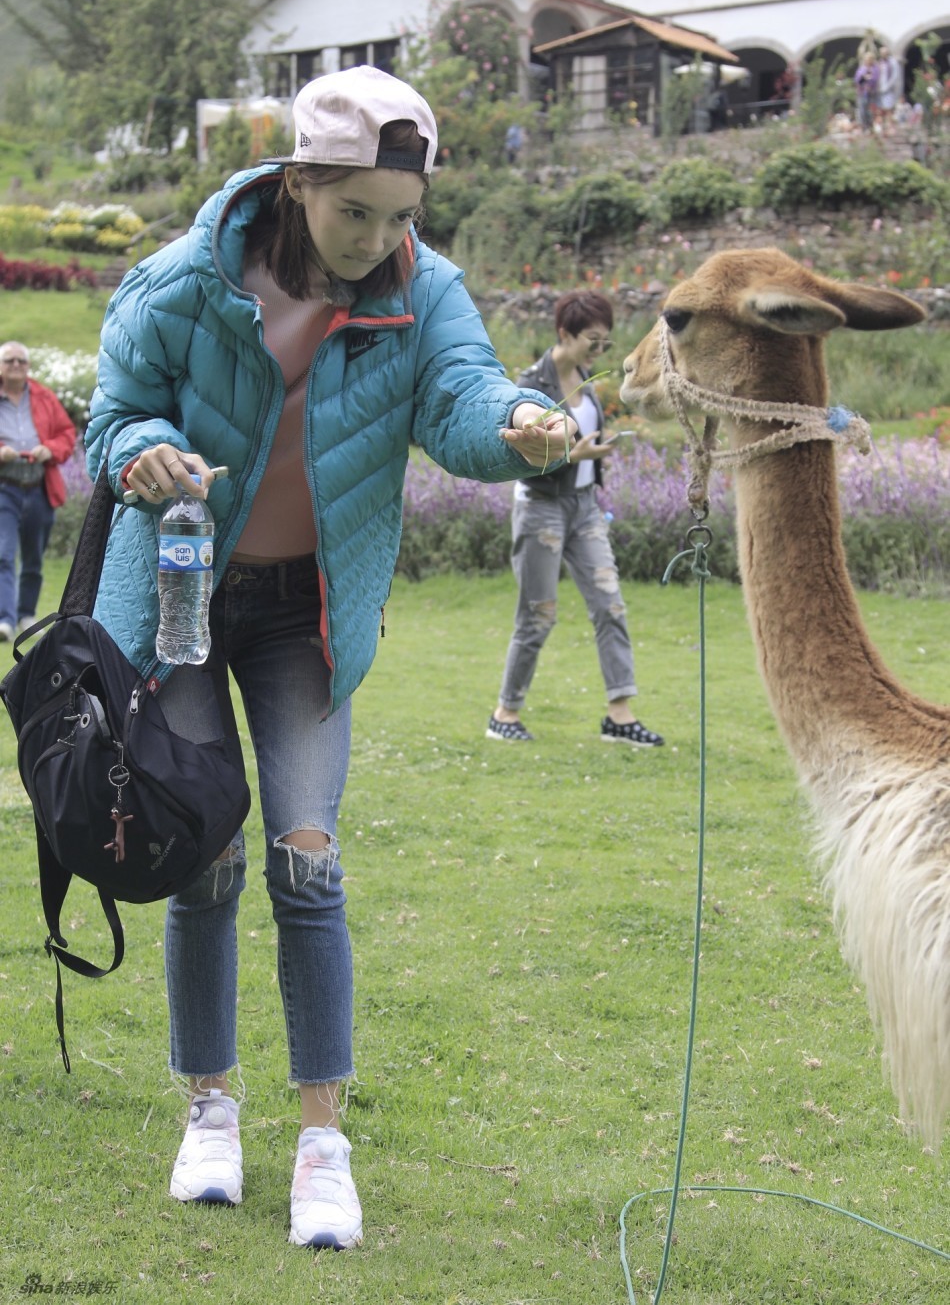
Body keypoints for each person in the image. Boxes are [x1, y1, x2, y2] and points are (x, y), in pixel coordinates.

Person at [84, 66, 574, 1251]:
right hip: (179, 605)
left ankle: (321, 1141)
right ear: (297, 183)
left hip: (307, 616)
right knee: (204, 855)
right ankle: (209, 1107)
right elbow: (109, 419)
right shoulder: (185, 280)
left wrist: (515, 426)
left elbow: (458, 399)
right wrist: (146, 448)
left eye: (401, 215)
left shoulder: (425, 287)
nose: (379, 239)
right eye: (356, 211)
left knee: (309, 859)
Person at [486, 290, 664, 748]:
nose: (600, 351)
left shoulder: (586, 375)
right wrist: (572, 453)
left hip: (584, 507)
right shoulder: (531, 386)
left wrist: (593, 450)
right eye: (592, 340)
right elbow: (520, 455)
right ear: (564, 333)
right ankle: (504, 713)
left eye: (605, 343)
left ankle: (619, 716)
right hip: (541, 507)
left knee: (610, 605)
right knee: (538, 616)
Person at [0, 341, 76, 640]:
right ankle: (4, 619)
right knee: (3, 553)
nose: (16, 365)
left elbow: (67, 434)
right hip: (5, 486)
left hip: (39, 486)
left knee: (33, 557)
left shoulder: (44, 397)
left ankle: (25, 615)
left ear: (28, 366)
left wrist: (50, 449)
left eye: (21, 360)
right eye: (10, 361)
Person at [874, 46, 902, 132]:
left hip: (889, 89)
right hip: (880, 89)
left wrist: (888, 86)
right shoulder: (880, 62)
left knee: (888, 108)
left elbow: (895, 76)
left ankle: (891, 127)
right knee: (880, 109)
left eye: (884, 53)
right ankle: (881, 127)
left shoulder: (892, 62)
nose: (882, 55)